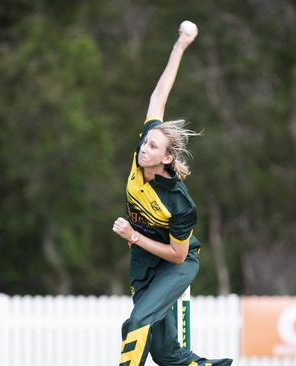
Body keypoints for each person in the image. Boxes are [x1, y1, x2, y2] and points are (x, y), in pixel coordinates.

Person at [112, 23, 233, 366]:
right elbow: (158, 97)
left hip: (177, 263)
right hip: (145, 260)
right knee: (165, 353)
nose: (143, 148)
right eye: (145, 141)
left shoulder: (180, 203)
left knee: (135, 323)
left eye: (152, 146)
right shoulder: (141, 158)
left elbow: (178, 256)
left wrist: (133, 235)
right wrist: (180, 47)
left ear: (167, 157)